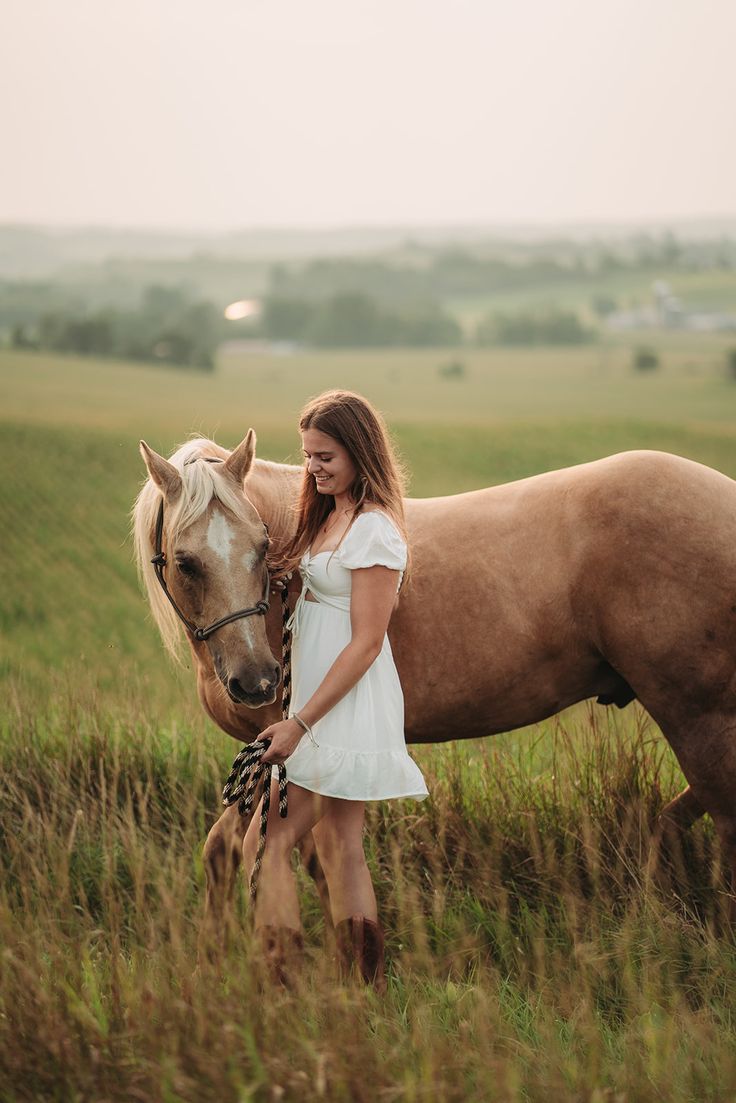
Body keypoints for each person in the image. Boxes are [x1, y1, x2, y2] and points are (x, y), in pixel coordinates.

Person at [241, 389, 428, 989]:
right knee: (341, 846)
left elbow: (368, 641)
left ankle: (281, 984)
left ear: (359, 451)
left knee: (266, 839)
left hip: (339, 710)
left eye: (325, 456)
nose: (313, 468)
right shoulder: (333, 516)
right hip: (326, 706)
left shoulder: (374, 530)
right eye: (307, 456)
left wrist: (300, 723)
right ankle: (362, 988)